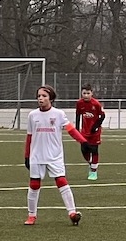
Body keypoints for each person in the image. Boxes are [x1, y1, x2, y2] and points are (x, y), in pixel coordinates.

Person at [23, 85, 91, 226]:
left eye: (44, 96)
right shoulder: (32, 115)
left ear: (51, 98)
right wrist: (27, 156)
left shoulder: (59, 114)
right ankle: (31, 215)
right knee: (34, 184)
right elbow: (29, 136)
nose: (40, 98)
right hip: (37, 156)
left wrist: (83, 141)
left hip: (55, 156)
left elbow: (70, 129)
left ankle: (72, 213)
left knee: (61, 181)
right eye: (39, 96)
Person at [74, 83, 106, 180]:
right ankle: (91, 163)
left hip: (95, 132)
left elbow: (102, 116)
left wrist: (95, 126)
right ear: (81, 93)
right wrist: (76, 129)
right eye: (84, 93)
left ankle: (93, 172)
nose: (86, 95)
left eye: (88, 93)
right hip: (84, 132)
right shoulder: (79, 103)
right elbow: (78, 115)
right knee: (84, 150)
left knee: (94, 150)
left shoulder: (96, 104)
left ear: (92, 93)